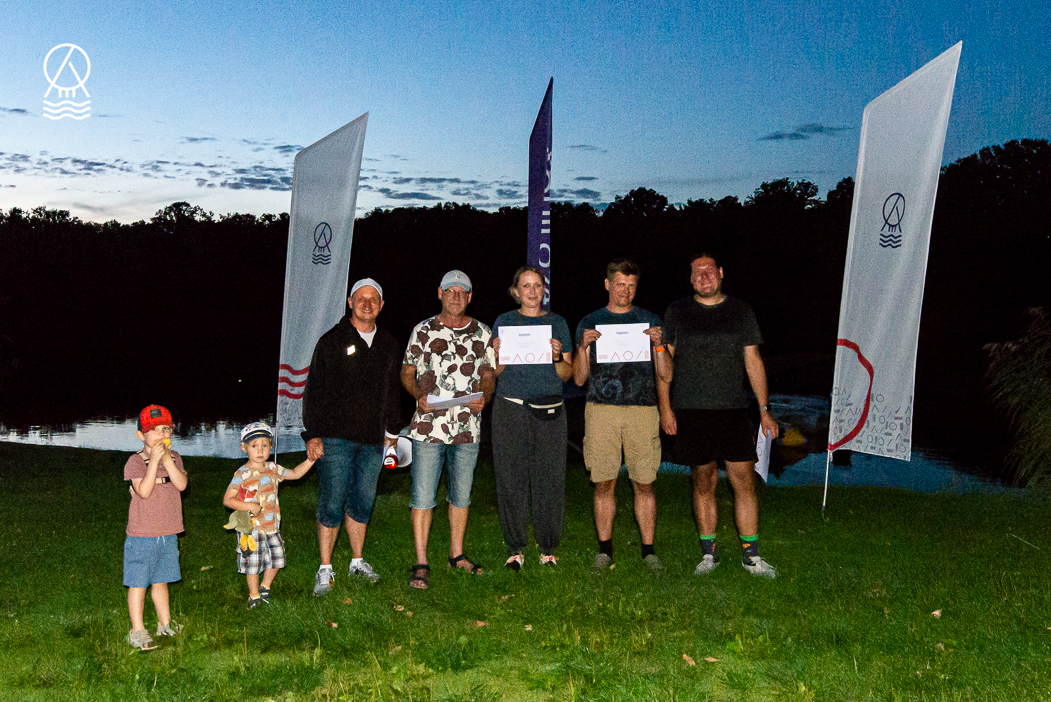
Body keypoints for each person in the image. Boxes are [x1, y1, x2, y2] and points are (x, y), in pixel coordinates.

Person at [659, 253, 780, 578]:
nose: (703, 276)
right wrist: (665, 408)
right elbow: (664, 367)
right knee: (704, 482)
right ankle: (708, 555)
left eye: (709, 270)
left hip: (733, 410)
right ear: (690, 279)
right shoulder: (677, 311)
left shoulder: (741, 311)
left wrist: (764, 410)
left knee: (744, 482)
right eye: (696, 272)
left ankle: (751, 557)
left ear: (721, 273)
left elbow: (753, 361)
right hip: (691, 410)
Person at [302, 278, 402, 595]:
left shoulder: (389, 343)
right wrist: (312, 434)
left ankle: (357, 563)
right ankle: (325, 569)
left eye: (373, 299)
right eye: (361, 298)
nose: (367, 304)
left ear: (382, 305)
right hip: (335, 438)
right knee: (332, 501)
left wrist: (393, 432)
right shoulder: (332, 340)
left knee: (363, 500)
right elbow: (313, 390)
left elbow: (393, 391)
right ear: (350, 302)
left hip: (373, 440)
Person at [573, 259, 672, 572]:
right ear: (607, 284)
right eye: (619, 284)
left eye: (631, 285)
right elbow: (578, 379)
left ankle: (648, 551)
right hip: (601, 411)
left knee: (645, 483)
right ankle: (605, 551)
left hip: (643, 411)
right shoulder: (590, 321)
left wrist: (660, 346)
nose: (625, 291)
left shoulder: (650, 320)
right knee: (604, 483)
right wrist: (582, 349)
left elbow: (667, 374)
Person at [401, 270, 496, 589]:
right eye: (450, 290)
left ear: (470, 297)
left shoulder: (483, 332)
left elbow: (488, 374)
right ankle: (421, 562)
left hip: (467, 427)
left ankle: (456, 555)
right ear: (440, 293)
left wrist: (486, 397)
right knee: (423, 496)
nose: (456, 296)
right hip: (428, 427)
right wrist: (418, 395)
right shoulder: (423, 330)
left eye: (462, 292)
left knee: (461, 494)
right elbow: (407, 372)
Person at [491, 265, 574, 569]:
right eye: (525, 286)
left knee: (549, 477)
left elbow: (567, 374)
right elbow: (494, 373)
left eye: (537, 285)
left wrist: (557, 356)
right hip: (509, 407)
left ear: (544, 290)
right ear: (516, 291)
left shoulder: (557, 323)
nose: (532, 291)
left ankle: (547, 547)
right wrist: (496, 355)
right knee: (510, 477)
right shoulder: (503, 322)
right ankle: (515, 547)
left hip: (549, 410)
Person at [222, 422, 316, 609]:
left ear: (271, 447)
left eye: (265, 445)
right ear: (244, 448)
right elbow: (228, 500)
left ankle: (265, 587)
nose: (260, 450)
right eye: (254, 446)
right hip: (251, 529)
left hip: (272, 526)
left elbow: (295, 474)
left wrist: (311, 460)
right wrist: (248, 506)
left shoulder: (273, 468)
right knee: (253, 564)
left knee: (277, 559)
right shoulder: (241, 473)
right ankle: (254, 596)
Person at [123, 404, 188, 650]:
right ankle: (137, 630)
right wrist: (154, 463)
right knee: (138, 583)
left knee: (162, 580)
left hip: (168, 532)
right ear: (141, 435)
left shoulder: (176, 457)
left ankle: (165, 623)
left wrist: (168, 461)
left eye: (166, 429)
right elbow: (144, 490)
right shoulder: (135, 461)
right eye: (154, 430)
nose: (162, 435)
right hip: (142, 534)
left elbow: (182, 485)